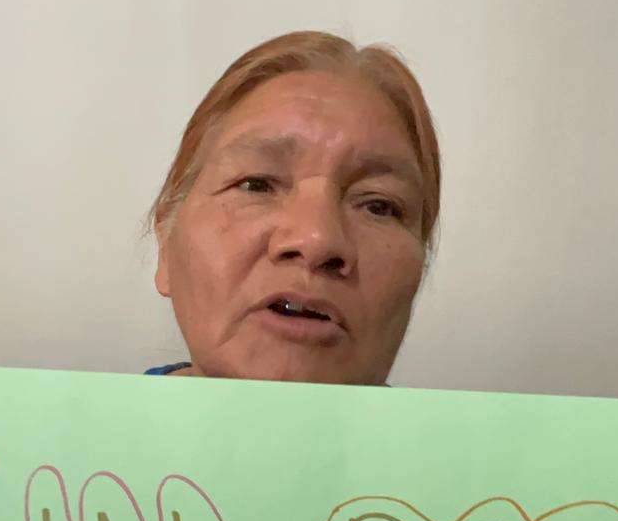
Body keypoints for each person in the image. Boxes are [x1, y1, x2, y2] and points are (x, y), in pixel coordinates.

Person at [146, 30, 441, 386]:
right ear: (166, 244)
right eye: (257, 185)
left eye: (378, 206)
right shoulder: (84, 424)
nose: (316, 240)